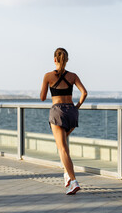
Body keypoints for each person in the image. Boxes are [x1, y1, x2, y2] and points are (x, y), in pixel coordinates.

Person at [40, 47, 87, 195]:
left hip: (58, 112)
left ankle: (73, 181)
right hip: (72, 113)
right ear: (66, 60)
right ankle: (67, 176)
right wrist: (77, 107)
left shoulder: (48, 76)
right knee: (63, 147)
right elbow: (84, 93)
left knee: (62, 149)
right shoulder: (73, 76)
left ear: (55, 59)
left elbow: (42, 97)